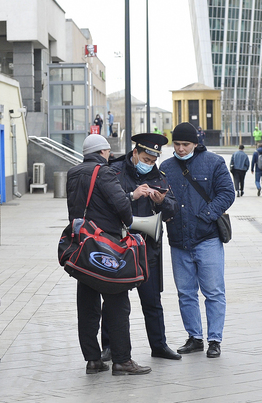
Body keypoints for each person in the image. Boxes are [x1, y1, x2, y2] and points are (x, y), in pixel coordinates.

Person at [65, 134, 151, 375]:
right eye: (108, 152)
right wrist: (127, 222)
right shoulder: (104, 172)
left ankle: (93, 360)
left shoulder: (73, 173)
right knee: (118, 303)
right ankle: (122, 361)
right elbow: (121, 205)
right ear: (102, 152)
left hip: (83, 245)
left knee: (87, 303)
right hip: (106, 246)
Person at [100, 133, 181, 361]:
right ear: (135, 153)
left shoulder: (160, 177)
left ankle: (159, 345)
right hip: (118, 247)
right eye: (145, 159)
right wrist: (131, 196)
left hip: (147, 248)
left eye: (152, 161)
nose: (149, 164)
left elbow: (173, 208)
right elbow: (105, 203)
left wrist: (161, 201)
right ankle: (109, 347)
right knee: (114, 302)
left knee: (152, 301)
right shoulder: (114, 171)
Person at [159, 122, 235, 358]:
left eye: (185, 144)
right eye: (177, 144)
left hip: (207, 239)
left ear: (196, 143)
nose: (180, 149)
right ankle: (194, 337)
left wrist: (207, 215)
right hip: (178, 241)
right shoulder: (165, 167)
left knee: (213, 292)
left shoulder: (214, 162)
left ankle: (214, 339)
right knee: (186, 293)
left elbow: (227, 193)